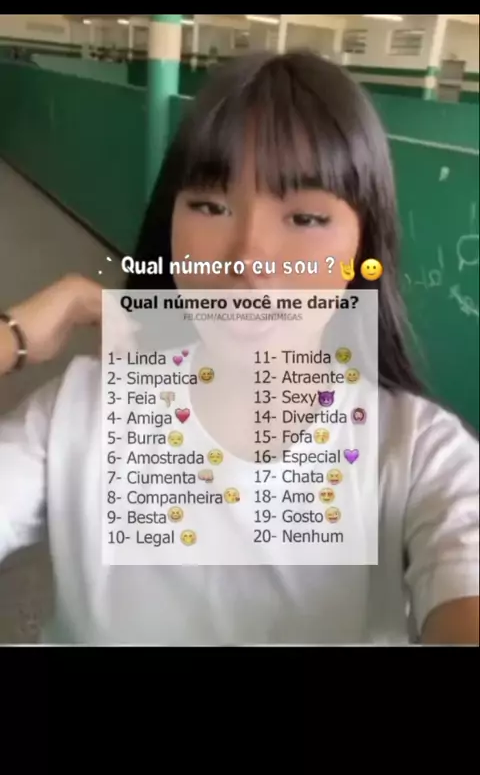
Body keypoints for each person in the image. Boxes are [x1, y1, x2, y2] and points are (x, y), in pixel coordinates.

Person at [0, 51, 478, 645]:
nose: (248, 260)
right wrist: (16, 334)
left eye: (304, 218)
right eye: (210, 206)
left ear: (364, 248)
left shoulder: (418, 453)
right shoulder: (77, 413)